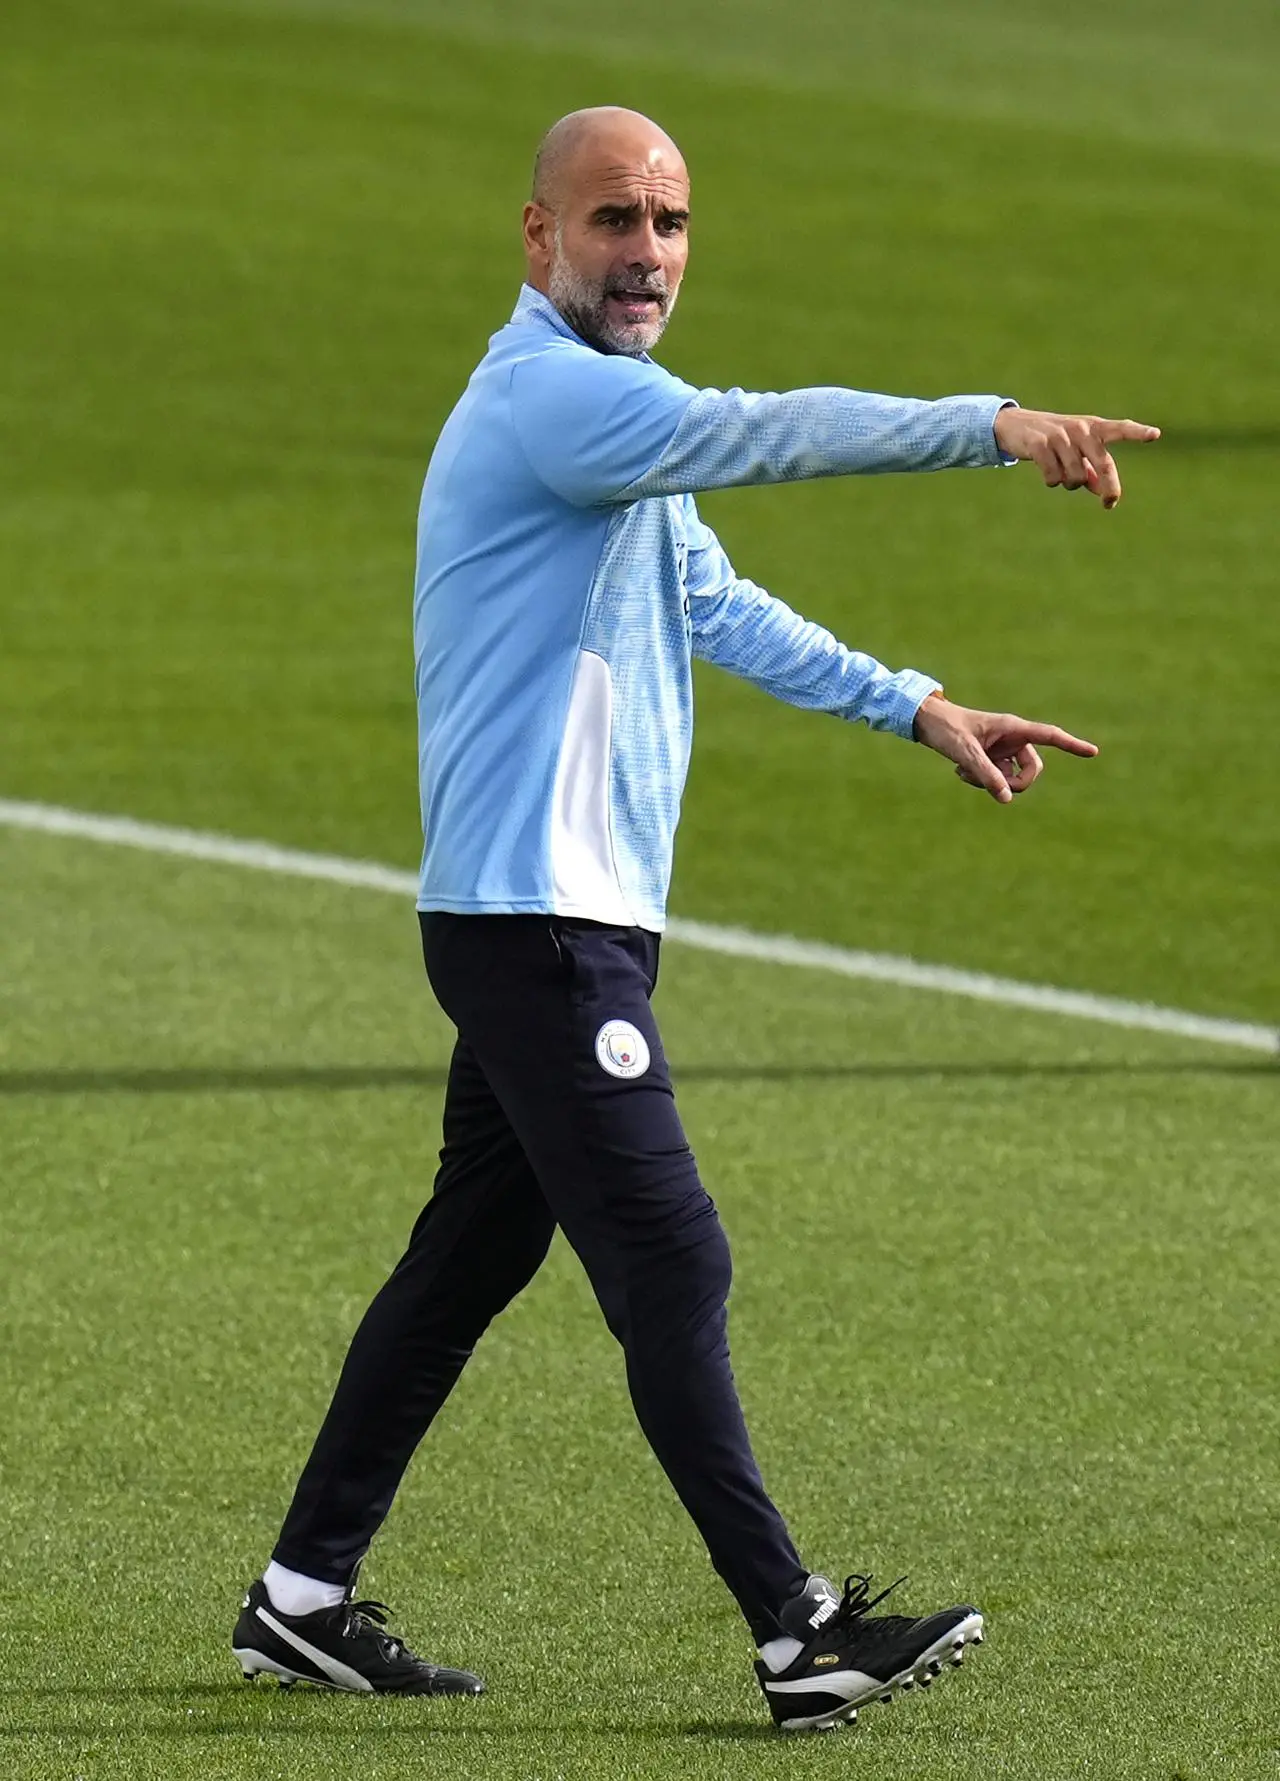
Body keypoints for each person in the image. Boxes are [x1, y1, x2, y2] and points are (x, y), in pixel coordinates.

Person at [232, 106, 1159, 1733]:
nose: (646, 251)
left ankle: (303, 1596)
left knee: (472, 1251)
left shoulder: (604, 431)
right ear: (539, 238)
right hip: (541, 926)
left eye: (667, 221)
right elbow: (764, 430)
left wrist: (917, 704)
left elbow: (708, 597)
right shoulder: (559, 405)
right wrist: (992, 423)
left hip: (551, 916)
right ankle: (795, 1631)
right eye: (611, 221)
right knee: (672, 1251)